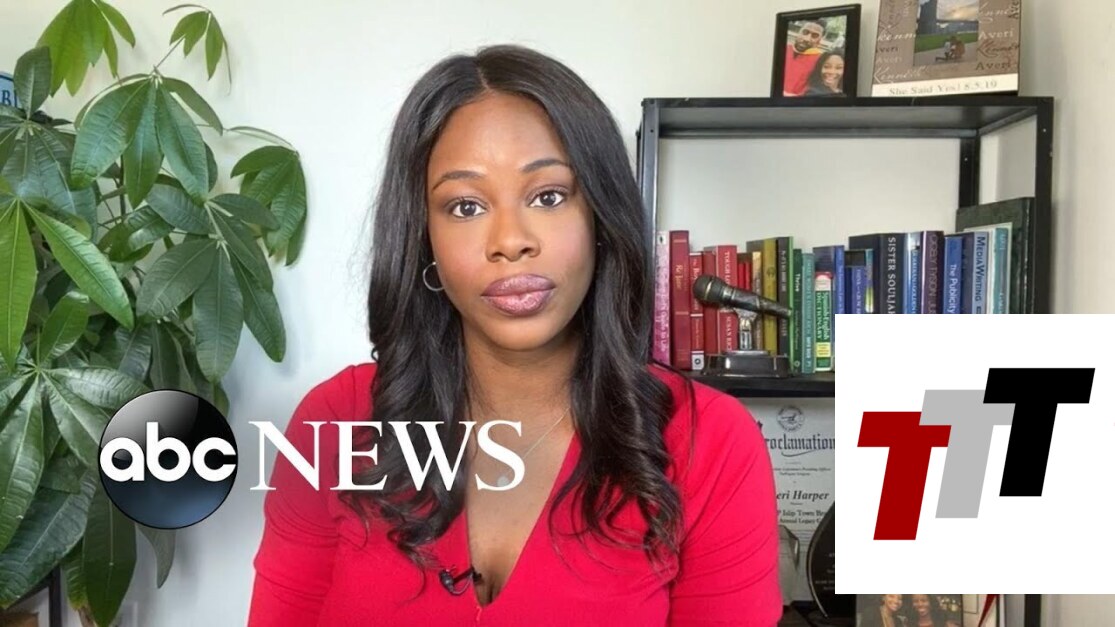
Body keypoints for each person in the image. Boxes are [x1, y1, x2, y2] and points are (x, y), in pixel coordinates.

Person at [247, 44, 781, 626]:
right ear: (424, 238)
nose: (510, 240)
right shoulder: (336, 422)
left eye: (548, 196)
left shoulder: (710, 445)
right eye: (465, 206)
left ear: (600, 218)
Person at [784, 20, 826, 96]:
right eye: (805, 32)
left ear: (819, 41)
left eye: (814, 36)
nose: (807, 39)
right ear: (798, 32)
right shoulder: (784, 49)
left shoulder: (821, 61)